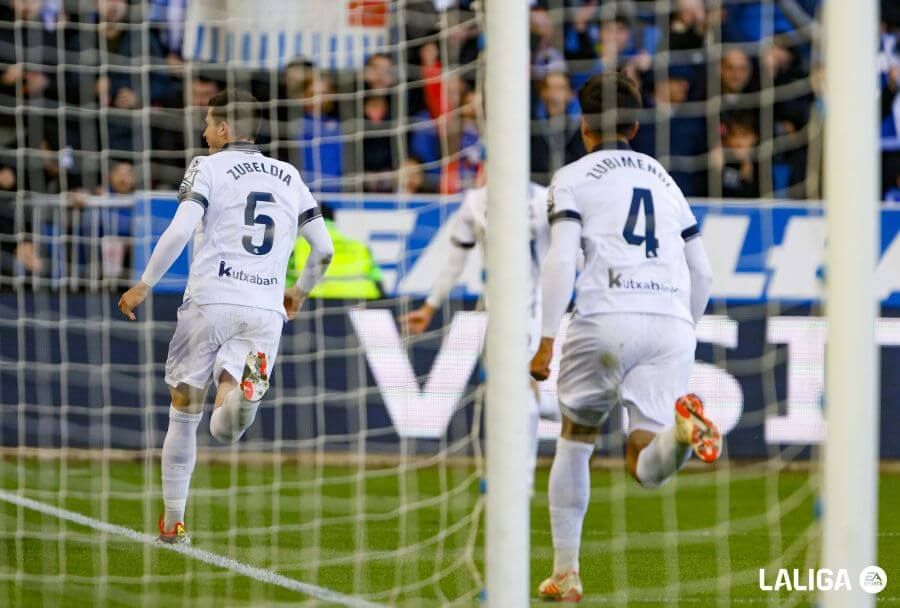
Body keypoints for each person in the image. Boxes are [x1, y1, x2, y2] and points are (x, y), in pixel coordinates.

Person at [529, 74, 718, 601]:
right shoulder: (662, 177)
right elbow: (702, 273)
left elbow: (563, 257)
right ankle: (681, 434)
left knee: (576, 437)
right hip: (670, 322)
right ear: (635, 126)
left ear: (583, 124)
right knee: (645, 466)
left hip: (605, 316)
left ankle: (566, 573)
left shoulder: (570, 176)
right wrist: (685, 332)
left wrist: (546, 340)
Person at [117, 89, 334, 544]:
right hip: (265, 310)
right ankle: (246, 398)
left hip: (211, 300)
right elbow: (325, 249)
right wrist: (299, 292)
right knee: (227, 421)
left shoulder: (207, 164)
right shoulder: (290, 175)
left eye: (208, 124)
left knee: (183, 410)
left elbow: (180, 227)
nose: (202, 133)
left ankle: (173, 520)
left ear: (224, 129)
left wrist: (145, 283)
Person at [401, 179, 559, 492]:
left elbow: (570, 253)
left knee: (518, 389)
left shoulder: (546, 200)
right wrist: (430, 306)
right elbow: (454, 261)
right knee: (513, 391)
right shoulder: (474, 202)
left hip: (534, 308)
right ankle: (558, 408)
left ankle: (519, 480)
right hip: (494, 310)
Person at [285, 203, 384, 300]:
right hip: (362, 299)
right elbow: (377, 280)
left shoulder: (296, 245)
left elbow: (284, 281)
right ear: (333, 219)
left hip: (314, 299)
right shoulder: (360, 246)